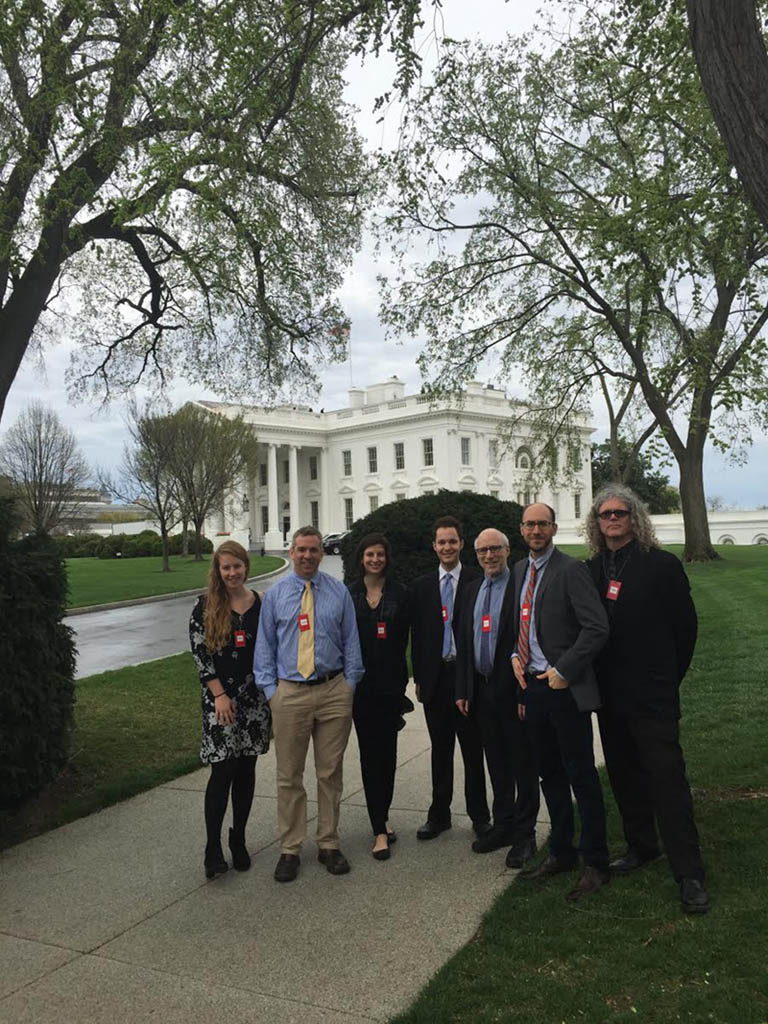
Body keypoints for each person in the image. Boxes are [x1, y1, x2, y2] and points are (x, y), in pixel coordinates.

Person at [585, 485, 708, 914]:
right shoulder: (593, 570)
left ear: (635, 518)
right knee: (624, 775)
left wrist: (668, 678)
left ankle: (689, 873)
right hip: (610, 696)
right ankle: (642, 845)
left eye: (620, 513)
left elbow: (685, 630)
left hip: (652, 695)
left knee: (667, 781)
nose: (612, 519)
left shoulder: (661, 566)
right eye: (605, 514)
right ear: (596, 523)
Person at [511, 504, 611, 900]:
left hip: (563, 687)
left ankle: (596, 861)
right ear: (521, 530)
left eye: (542, 524)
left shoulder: (572, 570)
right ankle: (562, 851)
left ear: (553, 527)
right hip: (532, 687)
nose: (536, 530)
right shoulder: (520, 570)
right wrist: (514, 656)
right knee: (548, 773)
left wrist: (564, 669)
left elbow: (596, 626)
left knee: (581, 774)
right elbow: (518, 624)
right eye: (530, 524)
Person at [254, 526, 364, 883]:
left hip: (333, 691)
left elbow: (351, 642)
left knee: (329, 773)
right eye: (301, 549)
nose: (307, 556)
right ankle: (290, 848)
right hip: (290, 694)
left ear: (321, 553)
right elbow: (264, 647)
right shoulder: (275, 595)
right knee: (289, 776)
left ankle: (329, 843)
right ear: (291, 552)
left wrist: (349, 684)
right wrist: (272, 691)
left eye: (313, 550)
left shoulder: (338, 592)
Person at [456, 527, 540, 867]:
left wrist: (525, 691)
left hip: (514, 689)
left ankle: (526, 834)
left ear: (507, 551)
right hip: (482, 688)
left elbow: (529, 641)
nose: (489, 556)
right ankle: (502, 823)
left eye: (495, 549)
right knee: (496, 761)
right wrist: (463, 688)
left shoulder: (519, 588)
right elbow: (463, 641)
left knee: (522, 763)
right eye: (482, 551)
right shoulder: (472, 589)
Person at [189, 540, 271, 879]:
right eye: (226, 567)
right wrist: (220, 695)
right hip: (221, 703)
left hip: (254, 702)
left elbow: (270, 648)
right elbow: (201, 656)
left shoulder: (259, 605)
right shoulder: (205, 607)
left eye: (237, 566)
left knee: (246, 771)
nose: (232, 572)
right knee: (222, 772)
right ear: (218, 571)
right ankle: (212, 847)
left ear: (245, 567)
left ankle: (238, 838)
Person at [411, 516, 490, 841]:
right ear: (434, 546)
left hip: (466, 676)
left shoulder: (476, 580)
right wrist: (418, 676)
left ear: (461, 544)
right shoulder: (422, 586)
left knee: (472, 750)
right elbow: (418, 636)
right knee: (440, 749)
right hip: (435, 679)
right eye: (442, 542)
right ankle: (439, 815)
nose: (447, 547)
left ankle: (480, 816)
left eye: (452, 541)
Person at [347, 533, 410, 860]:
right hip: (360, 689)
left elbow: (411, 637)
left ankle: (382, 818)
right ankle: (378, 829)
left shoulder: (400, 593)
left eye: (380, 555)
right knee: (370, 757)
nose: (375, 559)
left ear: (387, 558)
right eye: (370, 554)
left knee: (388, 758)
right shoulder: (350, 593)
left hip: (391, 688)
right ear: (362, 557)